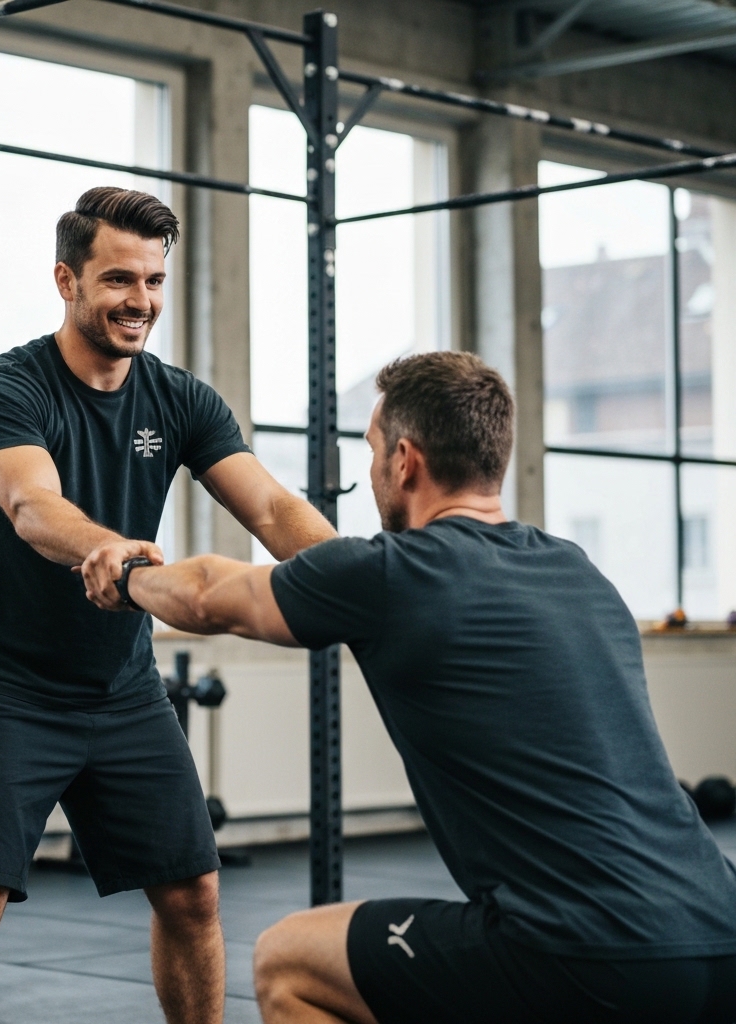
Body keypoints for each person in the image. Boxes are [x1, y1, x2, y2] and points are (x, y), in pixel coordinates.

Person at [95, 350, 736, 1024]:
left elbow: (204, 595)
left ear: (405, 460)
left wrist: (127, 572)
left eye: (372, 449)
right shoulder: (578, 572)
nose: (373, 468)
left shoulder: (392, 574)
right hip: (720, 931)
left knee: (290, 961)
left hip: (588, 956)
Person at [0, 186, 337, 1024]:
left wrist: (368, 572)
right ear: (67, 281)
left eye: (153, 281)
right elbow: (32, 506)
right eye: (118, 281)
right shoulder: (7, 389)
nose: (140, 301)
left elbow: (275, 511)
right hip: (7, 687)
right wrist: (110, 548)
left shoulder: (181, 400)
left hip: (123, 690)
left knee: (193, 897)